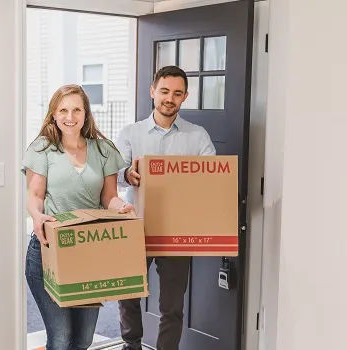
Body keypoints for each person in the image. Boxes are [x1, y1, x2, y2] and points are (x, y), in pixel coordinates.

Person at [23, 84, 135, 350]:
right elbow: (35, 196)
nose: (69, 116)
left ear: (86, 114)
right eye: (63, 110)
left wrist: (122, 207)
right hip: (48, 251)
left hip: (88, 252)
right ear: (53, 114)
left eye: (76, 109)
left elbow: (109, 196)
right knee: (60, 339)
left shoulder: (104, 149)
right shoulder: (42, 149)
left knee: (82, 341)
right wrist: (37, 216)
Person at [115, 66, 216, 350]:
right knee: (128, 293)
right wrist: (128, 175)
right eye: (164, 91)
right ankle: (131, 344)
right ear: (153, 92)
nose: (169, 98)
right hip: (137, 226)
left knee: (172, 304)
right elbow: (116, 171)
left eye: (176, 93)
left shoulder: (198, 137)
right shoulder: (130, 133)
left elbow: (213, 178)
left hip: (177, 231)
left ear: (185, 96)